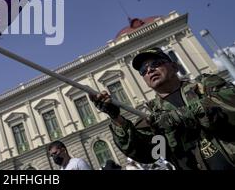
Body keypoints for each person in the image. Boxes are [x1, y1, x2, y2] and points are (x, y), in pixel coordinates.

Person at [91, 47, 235, 170]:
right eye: (143, 70)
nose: (149, 70)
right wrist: (117, 119)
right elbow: (146, 153)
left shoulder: (204, 84)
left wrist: (176, 116)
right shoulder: (151, 116)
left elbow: (229, 104)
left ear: (174, 66)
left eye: (156, 63)